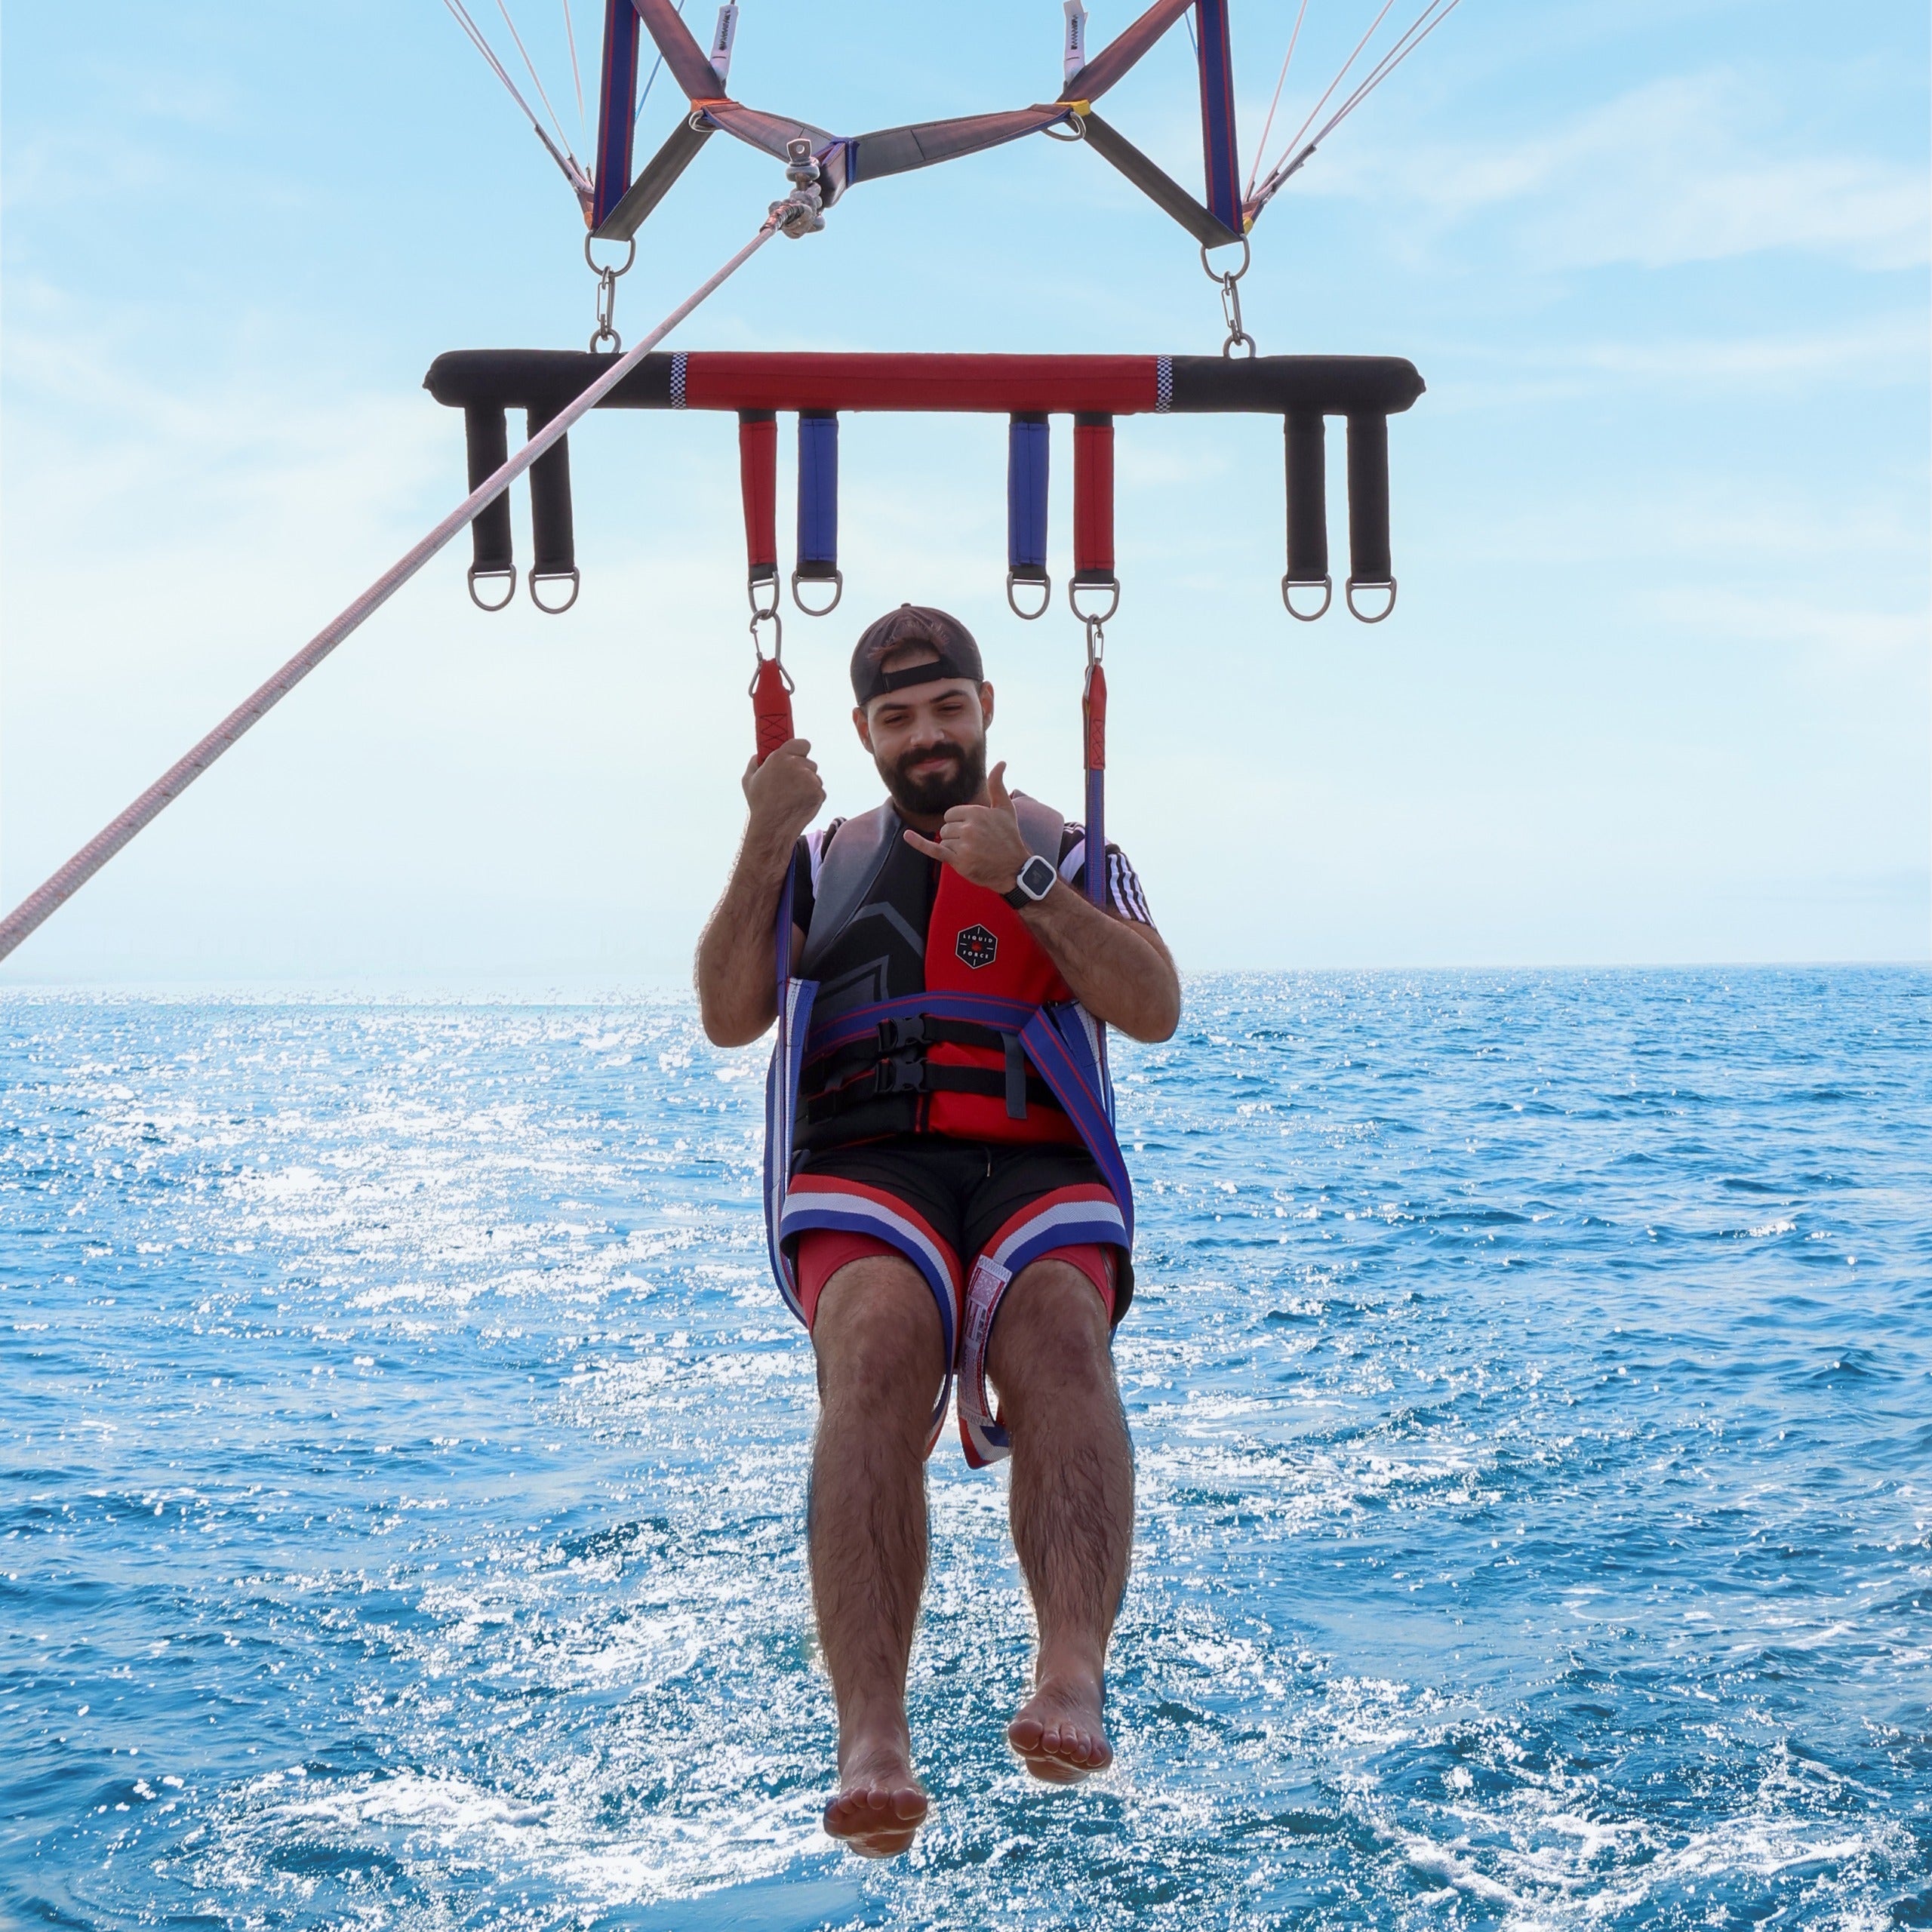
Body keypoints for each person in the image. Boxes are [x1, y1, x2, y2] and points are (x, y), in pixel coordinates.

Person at [695, 604, 1180, 1859]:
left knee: (1065, 1331)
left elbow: (1153, 1006)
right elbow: (730, 1014)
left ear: (985, 710)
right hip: (867, 1161)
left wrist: (1019, 879)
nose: (927, 736)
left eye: (947, 709)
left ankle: (1070, 1674)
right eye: (899, 718)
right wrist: (761, 837)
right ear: (863, 732)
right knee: (873, 1340)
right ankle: (871, 1734)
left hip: (1035, 1159)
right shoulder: (820, 856)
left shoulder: (1069, 849)